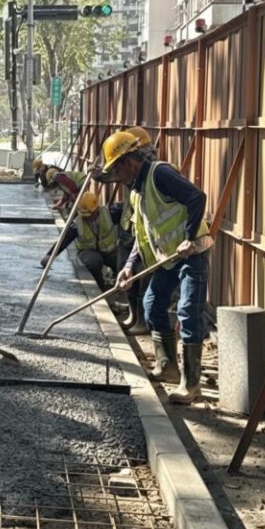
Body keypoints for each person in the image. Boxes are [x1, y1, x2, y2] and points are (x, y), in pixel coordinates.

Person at [101, 131, 213, 404]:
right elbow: (143, 235)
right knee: (152, 303)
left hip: (192, 253)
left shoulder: (159, 174)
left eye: (116, 168)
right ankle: (168, 367)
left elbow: (197, 197)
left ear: (129, 161)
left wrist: (189, 238)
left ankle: (191, 384)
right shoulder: (137, 192)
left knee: (188, 312)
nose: (116, 175)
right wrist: (128, 266)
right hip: (169, 258)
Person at [115, 126, 157, 335]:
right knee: (127, 273)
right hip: (132, 228)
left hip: (151, 238)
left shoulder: (153, 172)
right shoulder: (132, 171)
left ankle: (143, 322)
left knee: (145, 285)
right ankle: (134, 316)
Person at [40, 192, 118, 290]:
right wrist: (50, 255)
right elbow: (65, 239)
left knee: (122, 261)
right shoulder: (77, 223)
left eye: (89, 214)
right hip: (89, 252)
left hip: (110, 252)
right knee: (93, 262)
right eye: (84, 214)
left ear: (96, 209)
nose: (86, 217)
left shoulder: (109, 213)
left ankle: (118, 283)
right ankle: (100, 287)